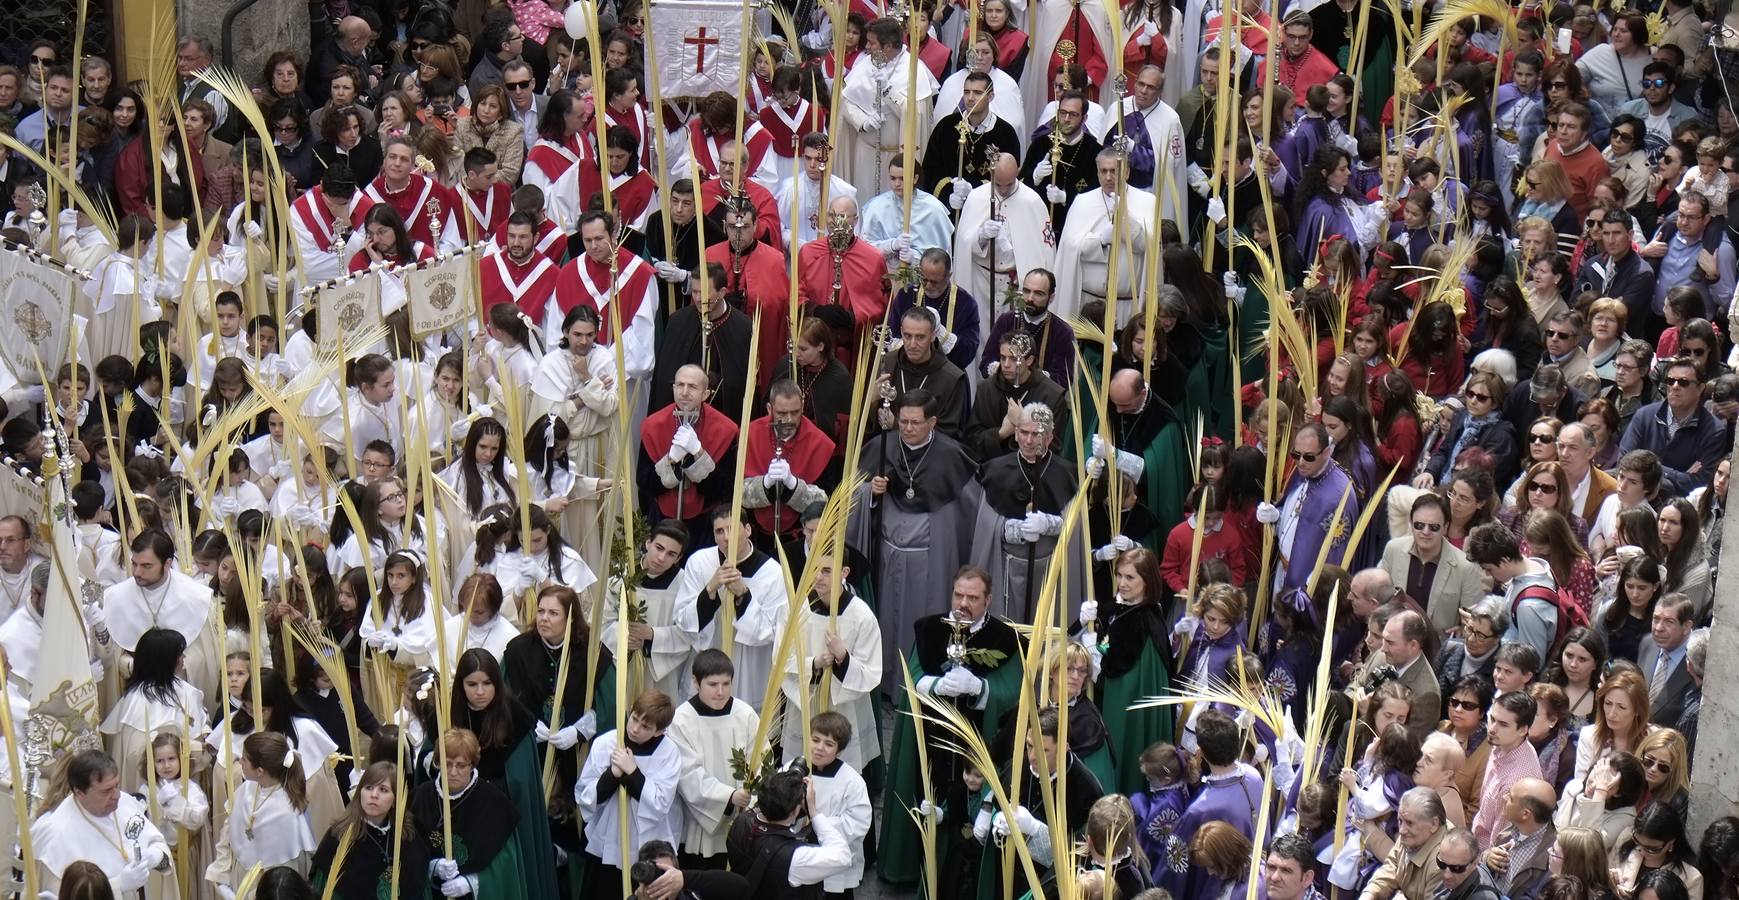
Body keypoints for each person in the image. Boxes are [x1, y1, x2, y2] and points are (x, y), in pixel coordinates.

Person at [877, 566, 1023, 888]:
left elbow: (1012, 692)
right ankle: (915, 868)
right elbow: (912, 678)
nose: (963, 604)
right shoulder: (929, 630)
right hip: (932, 738)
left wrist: (978, 688)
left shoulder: (1005, 639)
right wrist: (936, 686)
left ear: (987, 600)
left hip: (978, 740)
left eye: (972, 597)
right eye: (958, 595)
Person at [849, 389, 984, 680]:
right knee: (884, 620)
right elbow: (851, 495)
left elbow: (972, 511)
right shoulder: (882, 446)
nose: (907, 429)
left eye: (915, 423)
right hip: (886, 559)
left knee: (918, 621)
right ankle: (882, 682)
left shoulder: (950, 456)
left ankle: (917, 679)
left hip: (928, 561)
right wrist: (869, 493)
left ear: (932, 422)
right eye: (903, 421)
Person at [776, 549, 883, 771]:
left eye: (826, 571)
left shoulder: (861, 615)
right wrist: (814, 663)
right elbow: (781, 658)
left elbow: (871, 672)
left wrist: (843, 657)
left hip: (843, 708)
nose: (818, 577)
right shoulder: (796, 609)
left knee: (842, 774)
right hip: (806, 702)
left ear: (844, 572)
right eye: (814, 569)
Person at [671, 508, 787, 711]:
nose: (726, 538)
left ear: (748, 529)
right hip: (708, 656)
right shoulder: (700, 562)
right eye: (719, 531)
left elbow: (773, 631)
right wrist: (711, 589)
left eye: (732, 529)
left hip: (748, 668)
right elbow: (683, 619)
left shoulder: (772, 572)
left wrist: (743, 594)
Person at [31, 750, 176, 896]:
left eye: (116, 785)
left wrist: (155, 856)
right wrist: (119, 885)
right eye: (106, 791)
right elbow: (65, 896)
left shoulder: (124, 802)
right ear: (80, 792)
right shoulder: (55, 836)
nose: (116, 795)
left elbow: (161, 850)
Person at [667, 650, 759, 868]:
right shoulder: (682, 719)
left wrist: (749, 799)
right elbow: (687, 774)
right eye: (713, 684)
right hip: (700, 824)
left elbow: (760, 760)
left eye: (726, 684)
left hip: (743, 818)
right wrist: (729, 797)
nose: (720, 692)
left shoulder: (745, 714)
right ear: (696, 683)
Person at [955, 154, 1056, 335]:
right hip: (981, 281)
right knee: (980, 333)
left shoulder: (1031, 201)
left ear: (1017, 173)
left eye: (1008, 184)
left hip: (1015, 283)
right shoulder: (977, 197)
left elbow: (1043, 249)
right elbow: (963, 243)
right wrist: (982, 236)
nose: (1002, 190)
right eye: (998, 184)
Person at [1260, 422, 1361, 595]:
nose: (1300, 462)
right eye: (1296, 454)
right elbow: (1293, 515)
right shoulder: (1303, 472)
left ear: (1327, 453)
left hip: (1307, 587)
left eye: (1308, 457)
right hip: (1282, 571)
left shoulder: (1339, 497)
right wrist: (1277, 516)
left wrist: (1317, 586)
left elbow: (1336, 555)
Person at [727, 767, 856, 895]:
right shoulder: (796, 858)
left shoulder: (741, 820)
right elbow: (843, 856)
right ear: (795, 811)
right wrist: (813, 811)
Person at [1617, 356, 1729, 496]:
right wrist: (1677, 475)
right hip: (1633, 494)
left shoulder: (1714, 430)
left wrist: (1646, 468)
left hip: (1677, 507)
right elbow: (1623, 460)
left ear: (1700, 388)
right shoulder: (1644, 415)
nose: (1675, 387)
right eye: (1670, 381)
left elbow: (1700, 482)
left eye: (1683, 382)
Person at [1382, 494, 1486, 634]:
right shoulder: (1393, 549)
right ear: (1411, 524)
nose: (1425, 532)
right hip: (1392, 639)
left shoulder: (1466, 567)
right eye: (1419, 525)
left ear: (1445, 527)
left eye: (1434, 527)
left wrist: (1463, 630)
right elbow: (1379, 597)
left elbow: (1475, 619)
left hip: (1436, 649)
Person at [1465, 523, 1562, 661]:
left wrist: (1488, 635)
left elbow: (1533, 663)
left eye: (1489, 569)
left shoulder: (1528, 607)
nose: (1487, 574)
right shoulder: (1538, 567)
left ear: (1505, 560)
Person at [1359, 787, 1452, 900]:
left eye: (1410, 823)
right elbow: (1393, 865)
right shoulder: (1413, 836)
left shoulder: (1442, 863)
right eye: (1400, 821)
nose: (1402, 830)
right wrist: (1370, 893)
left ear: (1434, 824)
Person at [1481, 776, 1559, 900]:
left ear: (1525, 814)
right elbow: (1481, 865)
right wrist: (1487, 858)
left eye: (1511, 798)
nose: (1504, 797)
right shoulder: (1508, 833)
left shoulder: (1552, 858)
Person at [1638, 594, 1696, 727]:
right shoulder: (1648, 644)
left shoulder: (1698, 659)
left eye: (1669, 622)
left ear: (1686, 627)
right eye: (1656, 619)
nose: (1658, 628)